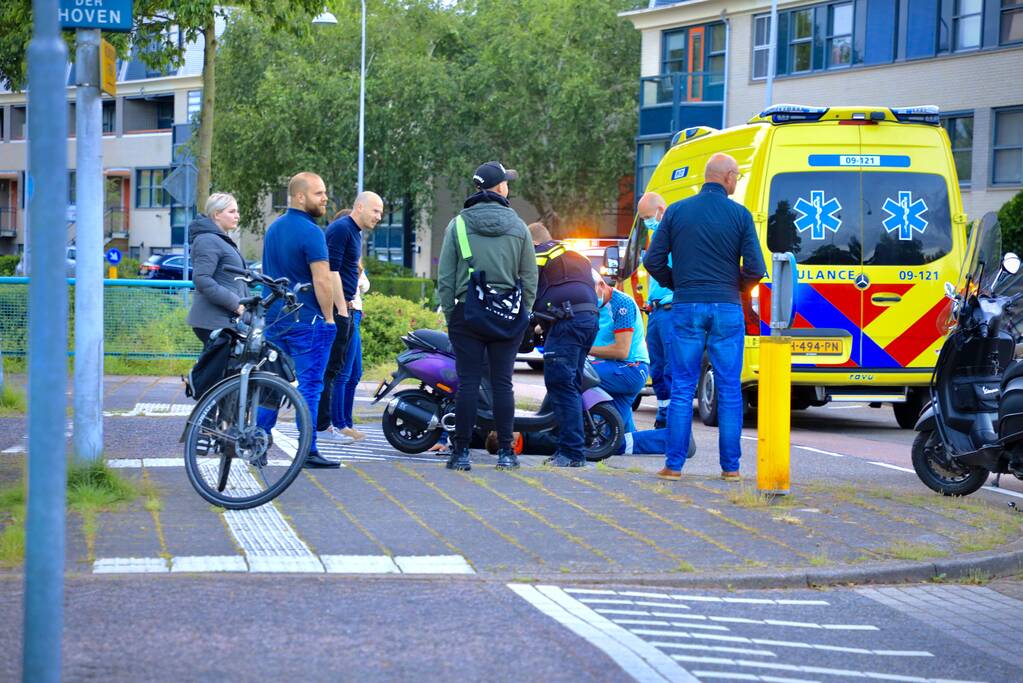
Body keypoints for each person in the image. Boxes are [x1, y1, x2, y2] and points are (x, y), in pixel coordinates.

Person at [643, 153, 766, 482]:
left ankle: (674, 466)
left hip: (686, 305)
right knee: (729, 388)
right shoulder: (740, 215)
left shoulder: (678, 211)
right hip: (727, 309)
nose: (737, 180)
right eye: (736, 175)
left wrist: (677, 281)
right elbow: (756, 268)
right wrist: (732, 284)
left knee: (682, 387)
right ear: (726, 177)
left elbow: (652, 260)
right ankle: (731, 469)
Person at [437, 161, 537, 471]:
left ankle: (461, 453)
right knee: (502, 384)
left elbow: (445, 279)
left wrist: (454, 316)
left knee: (467, 384)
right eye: (506, 182)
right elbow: (530, 276)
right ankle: (507, 453)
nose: (508, 185)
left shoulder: (458, 225)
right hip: (507, 316)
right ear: (499, 188)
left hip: (469, 314)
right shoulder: (519, 226)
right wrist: (523, 314)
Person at [255, 172, 342, 469]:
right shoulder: (312, 232)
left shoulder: (274, 229)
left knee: (271, 382)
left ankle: (258, 442)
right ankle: (307, 449)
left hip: (275, 318)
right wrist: (330, 318)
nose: (325, 198)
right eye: (319, 193)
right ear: (300, 196)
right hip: (307, 320)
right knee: (310, 386)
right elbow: (322, 280)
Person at [528, 221, 600, 467]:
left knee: (560, 385)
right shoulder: (577, 256)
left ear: (534, 242)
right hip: (588, 320)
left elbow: (525, 288)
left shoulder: (539, 253)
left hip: (567, 322)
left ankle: (571, 452)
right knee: (571, 385)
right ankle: (571, 447)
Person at [319, 193, 384, 438]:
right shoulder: (342, 229)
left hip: (346, 307)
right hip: (340, 308)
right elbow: (330, 270)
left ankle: (331, 425)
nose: (379, 217)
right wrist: (342, 308)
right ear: (359, 207)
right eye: (375, 211)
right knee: (332, 371)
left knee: (342, 370)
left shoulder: (353, 233)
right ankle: (325, 426)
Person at [591, 275, 650, 434]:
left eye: (591, 292)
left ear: (602, 285)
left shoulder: (622, 303)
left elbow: (621, 351)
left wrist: (584, 348)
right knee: (620, 439)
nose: (588, 298)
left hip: (631, 367)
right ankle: (674, 441)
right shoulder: (592, 304)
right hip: (615, 368)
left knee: (577, 375)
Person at [186, 192, 247, 345]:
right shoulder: (208, 240)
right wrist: (236, 304)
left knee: (224, 367)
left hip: (224, 319)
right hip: (213, 321)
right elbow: (202, 279)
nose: (237, 216)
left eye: (237, 211)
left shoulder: (219, 239)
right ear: (217, 214)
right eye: (232, 211)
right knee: (218, 367)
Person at [637, 192, 672, 429]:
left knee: (670, 367)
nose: (647, 222)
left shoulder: (673, 233)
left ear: (661, 209)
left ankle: (672, 421)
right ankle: (663, 414)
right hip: (657, 310)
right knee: (657, 368)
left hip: (672, 309)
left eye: (649, 216)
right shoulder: (655, 234)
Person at [333, 264, 371, 440]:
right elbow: (358, 284)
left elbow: (364, 284)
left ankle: (347, 423)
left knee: (355, 374)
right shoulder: (343, 249)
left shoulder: (355, 253)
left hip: (356, 313)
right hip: (348, 310)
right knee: (343, 374)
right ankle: (339, 424)